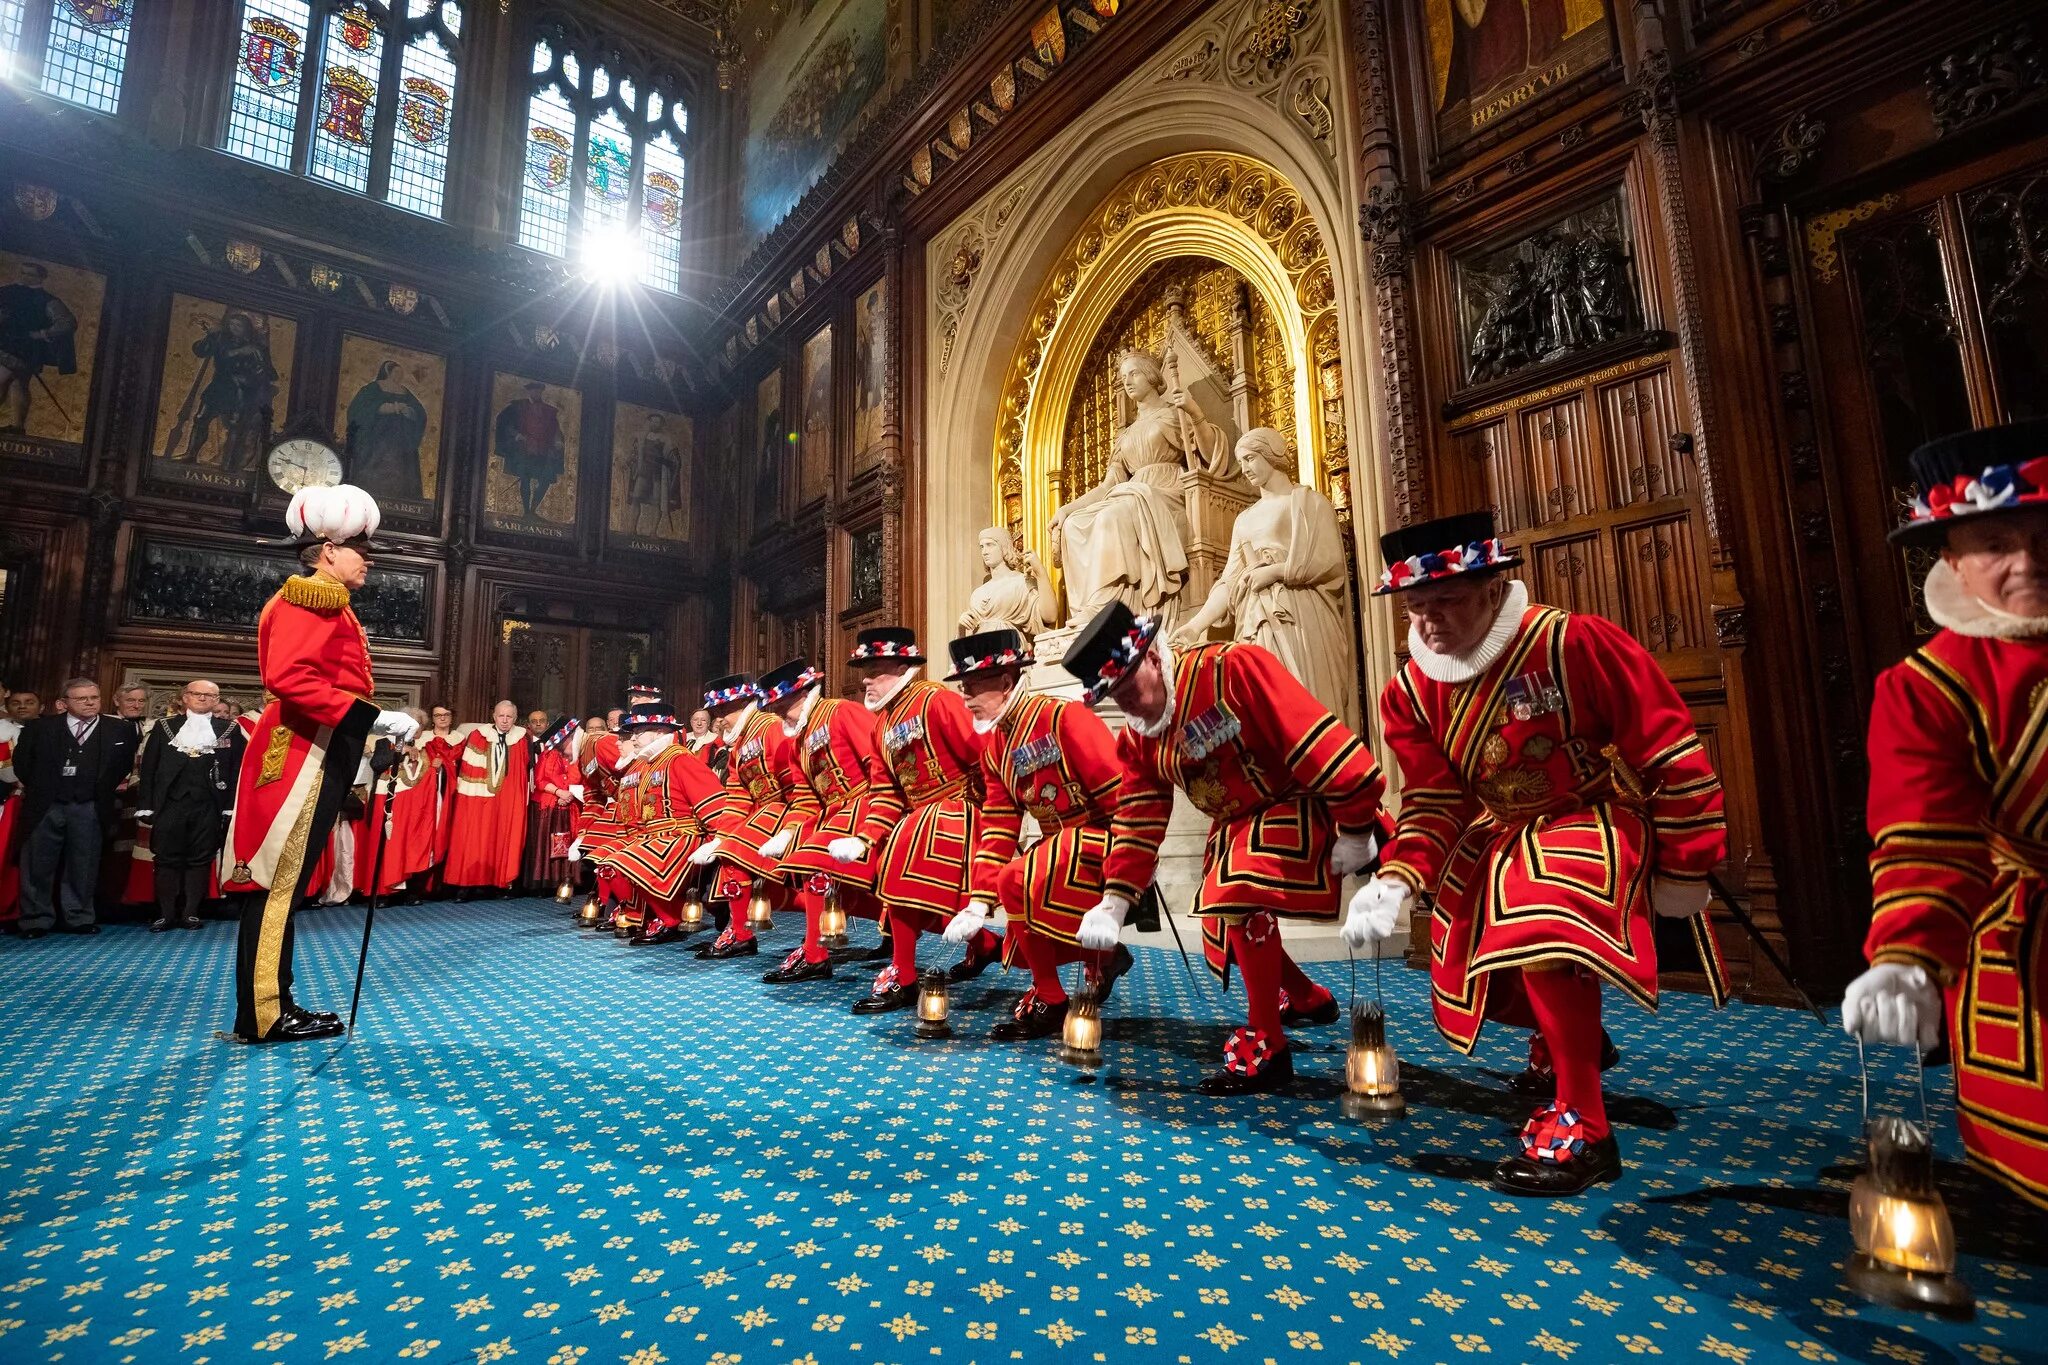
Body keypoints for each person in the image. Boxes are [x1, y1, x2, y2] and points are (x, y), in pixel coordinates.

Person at [1348, 510, 1728, 1195]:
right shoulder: (1408, 691)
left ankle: (1585, 1121)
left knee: (1537, 901)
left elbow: (1665, 742)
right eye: (1416, 605)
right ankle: (1568, 1044)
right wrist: (1399, 878)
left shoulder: (1570, 641)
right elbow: (1435, 800)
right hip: (1504, 828)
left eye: (1448, 600)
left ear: (1494, 588)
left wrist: (1688, 857)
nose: (1429, 620)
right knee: (1472, 932)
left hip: (1592, 813)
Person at [1843, 422, 2048, 1210]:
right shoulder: (1927, 685)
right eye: (1995, 541)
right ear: (1953, 559)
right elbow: (1928, 835)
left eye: (2044, 535)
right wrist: (1907, 954)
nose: (2026, 563)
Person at [1065, 600, 1385, 1094]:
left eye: (1128, 688)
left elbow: (1310, 734)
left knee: (1232, 892)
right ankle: (1305, 997)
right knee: (1226, 919)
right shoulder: (1138, 738)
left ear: (1152, 657)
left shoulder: (1232, 670)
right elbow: (1140, 816)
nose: (1126, 704)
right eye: (1112, 695)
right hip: (1238, 821)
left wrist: (1357, 825)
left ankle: (1268, 1045)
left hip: (1301, 798)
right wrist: (1115, 899)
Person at [222, 484, 418, 1042]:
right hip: (300, 753)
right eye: (359, 545)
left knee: (286, 884)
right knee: (276, 884)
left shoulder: (328, 603)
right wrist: (372, 717)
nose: (369, 558)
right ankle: (263, 1013)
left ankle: (272, 1004)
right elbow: (290, 679)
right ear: (327, 548)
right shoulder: (310, 597)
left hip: (316, 748)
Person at [945, 629, 1132, 1040]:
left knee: (1016, 878)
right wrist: (979, 901)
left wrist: (1134, 862)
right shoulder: (995, 747)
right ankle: (1105, 957)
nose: (966, 699)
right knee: (1018, 914)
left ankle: (1052, 998)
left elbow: (1120, 792)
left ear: (1007, 683)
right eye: (963, 688)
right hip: (1056, 847)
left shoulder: (1064, 717)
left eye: (973, 687)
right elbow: (998, 823)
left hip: (1103, 839)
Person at [834, 628, 1003, 1014]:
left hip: (961, 811)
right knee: (899, 878)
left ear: (900, 666)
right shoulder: (881, 725)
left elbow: (987, 756)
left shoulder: (937, 701)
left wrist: (996, 815)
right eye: (865, 669)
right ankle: (978, 949)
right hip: (920, 819)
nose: (865, 679)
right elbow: (885, 792)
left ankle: (905, 975)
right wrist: (864, 837)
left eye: (874, 669)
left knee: (904, 878)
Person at [1170, 428, 1361, 730]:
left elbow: (1329, 562)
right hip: (1256, 622)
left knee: (1306, 703)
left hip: (1302, 617)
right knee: (1266, 711)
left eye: (1250, 458)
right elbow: (1229, 582)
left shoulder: (1309, 503)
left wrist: (1274, 571)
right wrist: (1197, 625)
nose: (1244, 467)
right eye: (1240, 461)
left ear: (1271, 455)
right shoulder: (1245, 519)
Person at [1048, 350, 1230, 624]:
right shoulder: (1126, 434)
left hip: (1167, 491)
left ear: (1152, 376)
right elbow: (1110, 484)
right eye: (1123, 377)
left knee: (1114, 514)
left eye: (1133, 373)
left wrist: (1194, 413)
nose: (1127, 381)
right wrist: (1066, 509)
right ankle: (1097, 603)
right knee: (1075, 525)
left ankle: (1106, 604)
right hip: (1132, 492)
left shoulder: (1173, 414)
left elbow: (1211, 454)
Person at [761, 657, 894, 977]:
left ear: (804, 693)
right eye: (774, 707)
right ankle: (882, 926)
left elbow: (878, 763)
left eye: (783, 704)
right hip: (832, 814)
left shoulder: (842, 712)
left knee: (811, 861)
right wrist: (789, 831)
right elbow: (806, 797)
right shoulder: (797, 741)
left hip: (867, 803)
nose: (778, 712)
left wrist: (877, 816)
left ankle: (814, 953)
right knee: (801, 864)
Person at [691, 675, 818, 970]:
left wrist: (788, 827)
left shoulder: (771, 729)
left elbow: (797, 780)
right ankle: (741, 931)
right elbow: (737, 794)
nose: (719, 720)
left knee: (735, 857)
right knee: (729, 854)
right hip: (765, 813)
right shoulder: (741, 741)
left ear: (741, 705)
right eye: (717, 714)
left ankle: (741, 933)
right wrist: (721, 837)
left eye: (723, 712)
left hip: (790, 808)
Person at [588, 703, 731, 942]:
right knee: (608, 859)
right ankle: (640, 915)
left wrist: (718, 841)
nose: (633, 738)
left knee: (628, 861)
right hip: (652, 838)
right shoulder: (645, 764)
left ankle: (670, 920)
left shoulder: (681, 759)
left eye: (639, 731)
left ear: (661, 732)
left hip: (683, 836)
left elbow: (712, 802)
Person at [13, 678, 137, 938]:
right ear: (63, 703)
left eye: (94, 697)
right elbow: (23, 763)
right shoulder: (40, 728)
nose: (90, 702)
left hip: (90, 805)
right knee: (38, 865)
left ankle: (78, 917)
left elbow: (122, 766)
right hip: (46, 805)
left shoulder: (119, 730)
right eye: (82, 698)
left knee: (85, 863)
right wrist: (43, 790)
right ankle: (35, 919)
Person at [135, 679, 244, 931]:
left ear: (217, 700)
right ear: (185, 697)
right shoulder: (165, 727)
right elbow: (149, 768)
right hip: (170, 803)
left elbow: (236, 769)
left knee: (200, 858)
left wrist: (229, 806)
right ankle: (165, 914)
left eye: (210, 696)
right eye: (197, 694)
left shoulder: (229, 729)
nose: (203, 699)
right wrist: (146, 805)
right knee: (166, 858)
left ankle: (191, 912)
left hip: (208, 804)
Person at [443, 701, 531, 897]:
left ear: (515, 719)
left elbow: (526, 770)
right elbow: (467, 770)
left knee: (505, 838)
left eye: (509, 717)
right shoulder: (478, 735)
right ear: (494, 716)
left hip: (509, 797)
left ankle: (501, 883)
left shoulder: (523, 739)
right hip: (478, 796)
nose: (505, 720)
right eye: (502, 716)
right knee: (474, 838)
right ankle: (466, 885)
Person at [353, 710, 438, 902]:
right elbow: (377, 764)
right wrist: (401, 751)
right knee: (388, 845)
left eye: (420, 726)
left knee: (412, 846)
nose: (416, 729)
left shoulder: (427, 746)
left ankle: (412, 891)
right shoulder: (386, 742)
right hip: (388, 802)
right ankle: (384, 892)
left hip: (416, 806)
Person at [0, 259, 77, 436]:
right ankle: (18, 427)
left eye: (30, 274)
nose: (25, 277)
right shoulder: (6, 292)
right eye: (23, 272)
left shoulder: (47, 300)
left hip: (25, 348)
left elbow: (67, 322)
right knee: (20, 384)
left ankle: (18, 426)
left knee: (5, 379)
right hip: (5, 342)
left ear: (41, 278)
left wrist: (42, 333)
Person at [344, 359, 428, 501]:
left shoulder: (405, 391)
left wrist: (409, 411)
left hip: (401, 439)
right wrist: (385, 408)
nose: (399, 375)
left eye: (401, 373)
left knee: (401, 468)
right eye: (396, 372)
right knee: (376, 463)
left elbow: (420, 413)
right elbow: (357, 410)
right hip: (376, 437)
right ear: (388, 371)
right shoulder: (374, 388)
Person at [524, 716, 583, 896]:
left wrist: (570, 795)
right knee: (549, 844)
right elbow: (540, 781)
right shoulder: (549, 754)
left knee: (569, 843)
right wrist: (559, 793)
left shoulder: (578, 756)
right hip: (549, 806)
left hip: (570, 805)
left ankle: (566, 880)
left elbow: (583, 778)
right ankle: (546, 881)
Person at [493, 380, 565, 520]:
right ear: (529, 391)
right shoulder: (518, 407)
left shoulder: (549, 411)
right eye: (533, 390)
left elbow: (556, 430)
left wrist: (558, 441)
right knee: (525, 479)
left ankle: (533, 509)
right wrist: (516, 434)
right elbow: (503, 422)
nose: (536, 393)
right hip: (523, 450)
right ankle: (526, 511)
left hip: (543, 451)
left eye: (538, 390)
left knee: (546, 479)